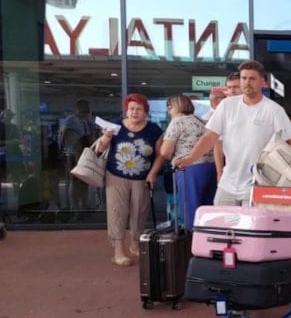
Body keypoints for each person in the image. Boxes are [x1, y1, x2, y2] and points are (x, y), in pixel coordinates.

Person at [174, 60, 291, 206]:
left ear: (261, 82)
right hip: (228, 183)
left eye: (252, 78)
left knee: (251, 221)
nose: (247, 82)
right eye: (244, 78)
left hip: (259, 183)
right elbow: (210, 137)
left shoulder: (274, 110)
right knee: (220, 220)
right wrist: (189, 159)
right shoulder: (227, 105)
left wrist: (288, 176)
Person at [95, 94, 165, 267]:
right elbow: (99, 149)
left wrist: (153, 173)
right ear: (127, 110)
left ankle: (135, 245)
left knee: (139, 212)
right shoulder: (116, 126)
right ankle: (118, 252)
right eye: (131, 108)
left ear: (145, 112)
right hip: (116, 176)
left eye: (139, 109)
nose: (134, 112)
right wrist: (106, 137)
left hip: (142, 178)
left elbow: (160, 155)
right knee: (117, 212)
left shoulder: (154, 129)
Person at [160, 95, 216, 229]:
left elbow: (166, 152)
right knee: (207, 208)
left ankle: (191, 238)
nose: (169, 111)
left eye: (169, 107)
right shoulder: (202, 121)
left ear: (175, 107)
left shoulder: (177, 122)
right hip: (211, 166)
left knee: (190, 206)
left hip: (189, 168)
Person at [60, 99, 95, 211]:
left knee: (84, 181)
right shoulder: (70, 121)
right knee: (75, 181)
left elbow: (90, 138)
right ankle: (74, 206)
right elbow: (67, 138)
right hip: (73, 154)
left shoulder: (86, 122)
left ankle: (84, 204)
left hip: (84, 154)